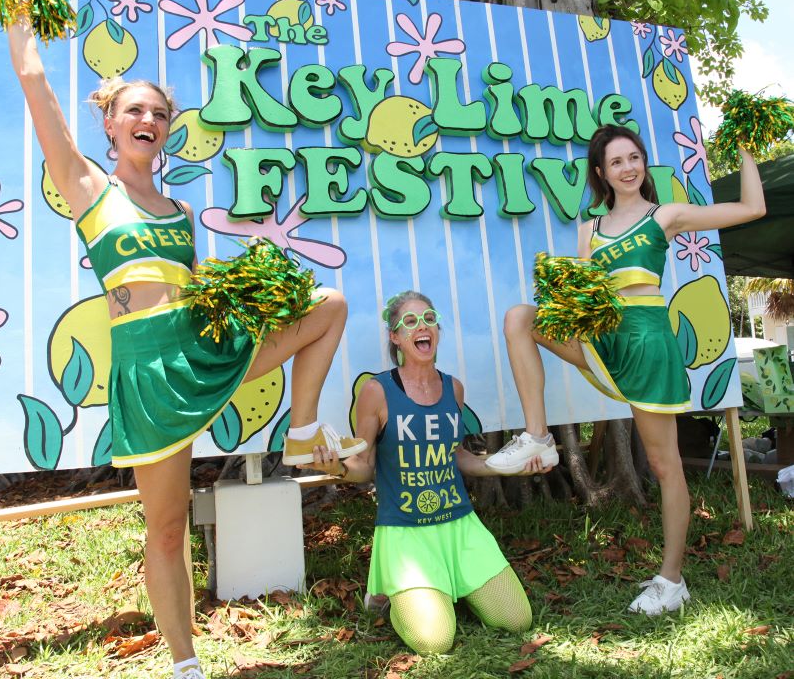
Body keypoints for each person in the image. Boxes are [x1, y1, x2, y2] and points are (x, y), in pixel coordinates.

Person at [6, 5, 365, 679]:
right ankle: (185, 664)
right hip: (148, 374)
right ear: (110, 125)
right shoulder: (88, 188)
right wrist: (18, 17)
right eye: (135, 112)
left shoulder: (178, 212)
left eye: (160, 115)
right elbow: (36, 86)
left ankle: (303, 426)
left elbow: (195, 291)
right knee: (166, 530)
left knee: (328, 305)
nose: (149, 122)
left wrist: (237, 293)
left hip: (201, 350)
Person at [488, 124, 765, 615]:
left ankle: (672, 579)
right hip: (602, 337)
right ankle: (537, 436)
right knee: (519, 317)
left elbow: (751, 210)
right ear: (601, 173)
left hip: (646, 342)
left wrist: (745, 148)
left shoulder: (665, 216)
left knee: (665, 466)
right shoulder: (588, 231)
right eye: (617, 162)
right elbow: (582, 299)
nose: (629, 167)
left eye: (634, 157)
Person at [309, 291, 547, 654]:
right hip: (406, 534)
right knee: (434, 642)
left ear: (437, 330)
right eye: (410, 321)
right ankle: (394, 594)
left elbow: (459, 456)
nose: (422, 327)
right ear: (395, 337)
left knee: (517, 620)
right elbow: (364, 466)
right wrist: (338, 468)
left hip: (460, 527)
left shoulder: (453, 388)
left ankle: (451, 586)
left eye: (429, 319)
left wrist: (504, 465)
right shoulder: (378, 391)